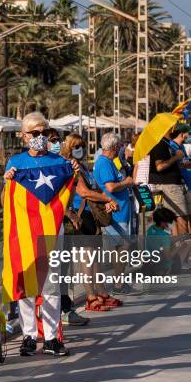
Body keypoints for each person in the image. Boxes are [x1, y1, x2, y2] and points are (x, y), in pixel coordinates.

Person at [2, 112, 77, 357]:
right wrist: (7, 182)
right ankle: (29, 335)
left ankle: (52, 337)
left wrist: (73, 172)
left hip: (53, 232)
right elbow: (5, 201)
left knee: (51, 284)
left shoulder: (59, 162)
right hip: (24, 232)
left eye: (44, 132)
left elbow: (69, 193)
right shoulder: (15, 162)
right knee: (26, 282)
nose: (41, 137)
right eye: (35, 133)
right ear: (24, 136)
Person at [61, 133, 121, 313]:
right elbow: (84, 192)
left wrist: (106, 202)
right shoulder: (71, 167)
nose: (80, 149)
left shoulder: (84, 167)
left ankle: (101, 291)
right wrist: (105, 197)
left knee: (96, 258)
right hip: (81, 215)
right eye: (76, 146)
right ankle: (90, 296)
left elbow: (93, 188)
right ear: (69, 148)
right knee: (87, 259)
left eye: (82, 145)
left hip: (92, 215)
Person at [93, 132, 135, 295]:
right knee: (121, 248)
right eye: (119, 146)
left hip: (121, 211)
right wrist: (127, 182)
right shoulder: (104, 163)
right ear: (115, 147)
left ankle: (119, 282)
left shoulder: (108, 162)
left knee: (122, 248)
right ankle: (118, 284)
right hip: (115, 214)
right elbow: (110, 187)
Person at [148, 126, 191, 235]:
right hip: (169, 185)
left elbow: (169, 164)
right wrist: (176, 157)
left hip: (173, 183)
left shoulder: (167, 143)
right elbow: (159, 166)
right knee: (181, 219)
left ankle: (180, 249)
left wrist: (183, 164)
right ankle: (185, 250)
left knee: (179, 219)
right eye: (172, 127)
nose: (174, 129)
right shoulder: (160, 144)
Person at [168, 124, 191, 235]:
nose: (190, 136)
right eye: (188, 133)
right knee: (183, 220)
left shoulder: (183, 147)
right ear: (182, 134)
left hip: (190, 186)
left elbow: (183, 162)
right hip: (181, 187)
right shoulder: (172, 146)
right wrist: (188, 164)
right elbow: (175, 164)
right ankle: (184, 247)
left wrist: (189, 163)